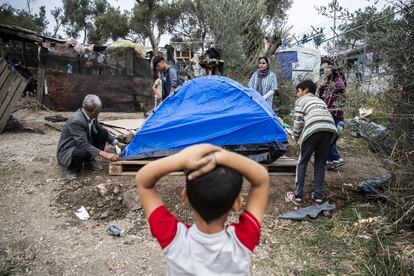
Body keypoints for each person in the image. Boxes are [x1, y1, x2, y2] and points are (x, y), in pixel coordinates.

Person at [136, 144, 269, 275]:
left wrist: (180, 159)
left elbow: (143, 181)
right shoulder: (242, 241)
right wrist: (220, 157)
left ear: (185, 196)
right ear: (238, 203)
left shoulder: (173, 238)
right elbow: (261, 179)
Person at [286, 80, 338, 205]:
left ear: (305, 90)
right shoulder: (321, 101)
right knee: (320, 163)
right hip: (330, 130)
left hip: (314, 129)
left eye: (299, 91)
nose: (297, 94)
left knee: (302, 161)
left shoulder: (301, 101)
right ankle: (318, 196)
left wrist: (294, 135)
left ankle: (297, 196)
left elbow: (298, 122)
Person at [57, 94, 126, 180]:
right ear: (95, 110)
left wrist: (117, 143)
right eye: (99, 111)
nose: (99, 112)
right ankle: (72, 169)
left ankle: (88, 161)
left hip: (83, 143)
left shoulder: (92, 115)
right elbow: (83, 144)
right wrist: (106, 154)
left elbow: (99, 129)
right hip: (70, 149)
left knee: (103, 133)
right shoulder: (76, 121)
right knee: (82, 151)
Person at [319, 61, 346, 170]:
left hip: (335, 113)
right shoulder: (330, 80)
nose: (325, 70)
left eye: (327, 67)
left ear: (333, 68)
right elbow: (322, 95)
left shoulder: (337, 82)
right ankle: (330, 160)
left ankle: (336, 158)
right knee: (327, 136)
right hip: (329, 112)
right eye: (324, 68)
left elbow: (328, 98)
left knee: (329, 136)